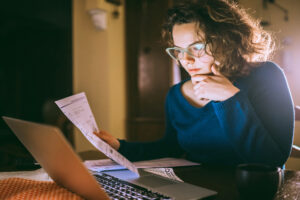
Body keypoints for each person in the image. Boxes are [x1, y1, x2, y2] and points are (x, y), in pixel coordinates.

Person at [94, 0, 294, 168]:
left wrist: (229, 98)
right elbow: (170, 147)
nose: (185, 60)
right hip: (197, 190)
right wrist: (120, 147)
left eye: (196, 47)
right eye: (178, 50)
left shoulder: (267, 76)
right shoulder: (175, 95)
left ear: (227, 40)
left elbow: (272, 161)